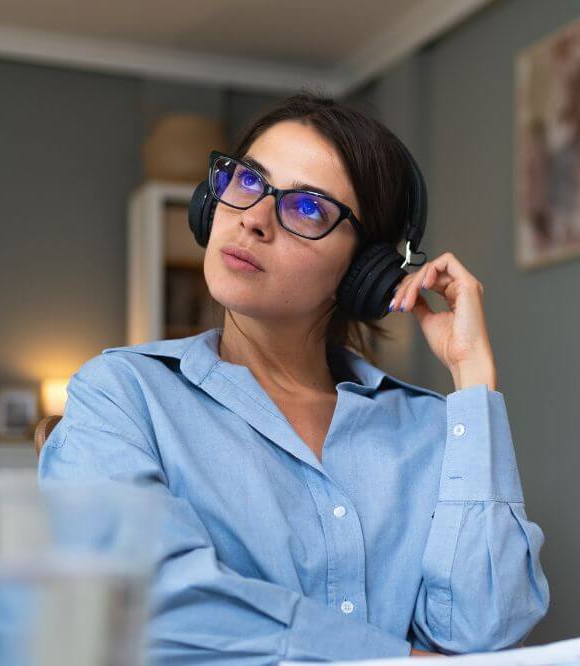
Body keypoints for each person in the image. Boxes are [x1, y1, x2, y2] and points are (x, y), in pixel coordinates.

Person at [38, 93, 550, 665]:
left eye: (308, 208)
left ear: (365, 270)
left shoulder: (431, 428)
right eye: (247, 181)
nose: (253, 219)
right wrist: (394, 660)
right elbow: (146, 609)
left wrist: (473, 381)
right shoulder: (123, 392)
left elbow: (483, 639)